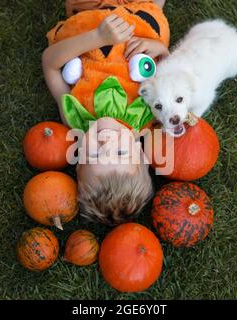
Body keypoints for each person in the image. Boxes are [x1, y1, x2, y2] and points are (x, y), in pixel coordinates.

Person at [42, 0, 169, 225]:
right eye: (120, 152)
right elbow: (170, 72)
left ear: (80, 160)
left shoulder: (74, 117)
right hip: (141, 19)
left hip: (92, 15)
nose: (105, 140)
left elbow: (50, 62)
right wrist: (160, 49)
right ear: (140, 154)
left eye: (95, 154)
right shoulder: (149, 117)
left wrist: (97, 38)